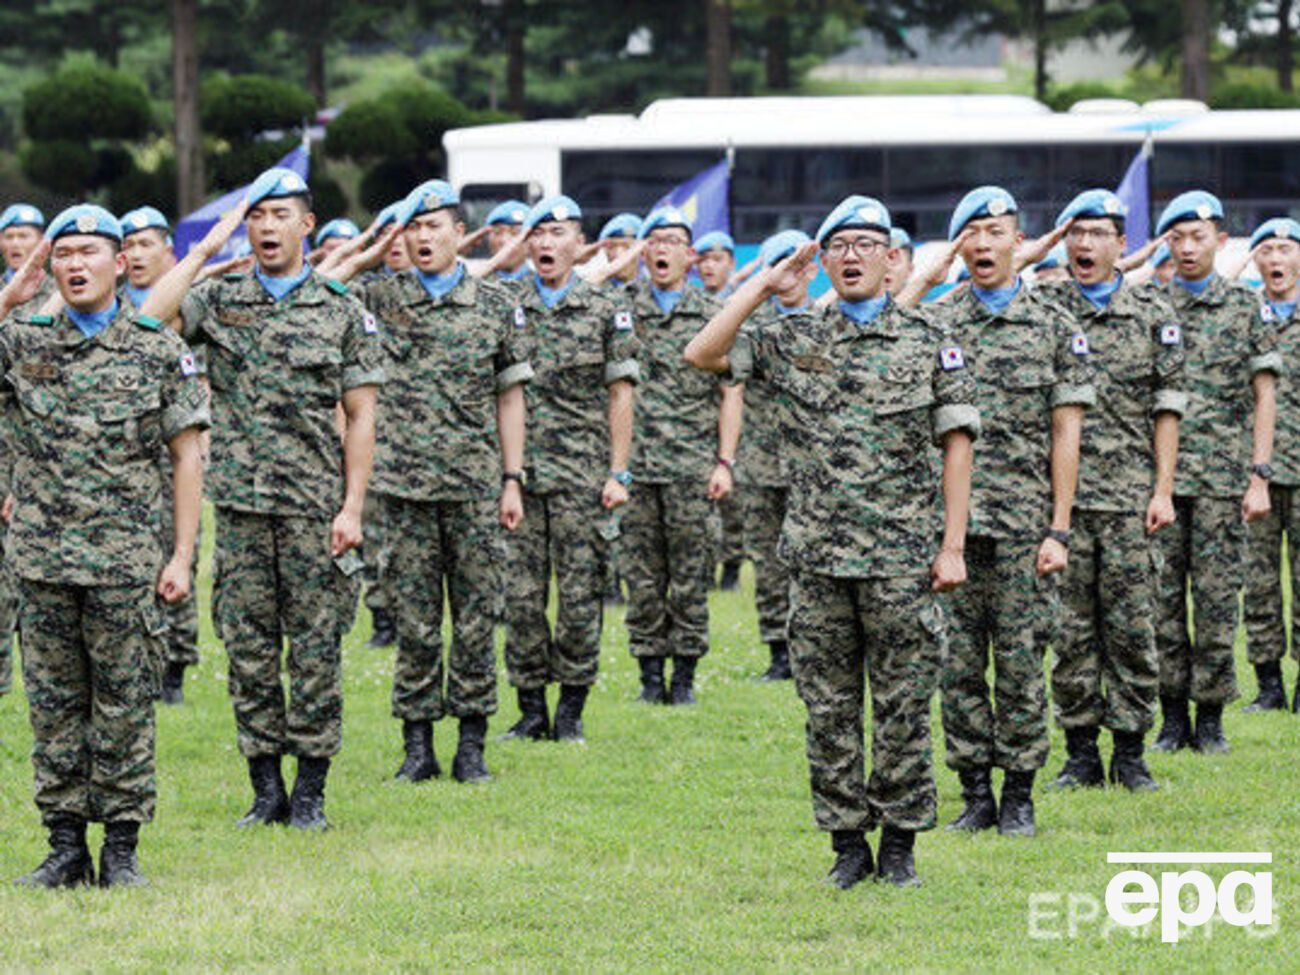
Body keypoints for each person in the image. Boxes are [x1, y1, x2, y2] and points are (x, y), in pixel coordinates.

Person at [685, 195, 979, 889]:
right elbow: (702, 353)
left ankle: (901, 842)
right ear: (821, 260)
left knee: (904, 703)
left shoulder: (928, 338)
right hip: (817, 559)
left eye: (864, 244)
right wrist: (763, 282)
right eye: (836, 245)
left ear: (889, 258)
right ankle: (848, 843)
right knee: (829, 707)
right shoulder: (794, 337)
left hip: (903, 557)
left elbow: (958, 445)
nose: (851, 256)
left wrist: (953, 544)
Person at [144, 167, 385, 830]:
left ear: (307, 224)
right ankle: (264, 787)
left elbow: (361, 413)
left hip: (312, 507)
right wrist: (199, 253)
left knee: (314, 650)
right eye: (256, 215)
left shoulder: (339, 309)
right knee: (248, 650)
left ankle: (310, 789)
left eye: (280, 215)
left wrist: (353, 505)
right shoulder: (222, 299)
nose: (266, 226)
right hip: (242, 508)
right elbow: (150, 315)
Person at [0, 205, 207, 887]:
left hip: (122, 562)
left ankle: (120, 846)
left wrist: (179, 555)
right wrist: (13, 290)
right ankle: (64, 845)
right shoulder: (24, 340)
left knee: (123, 702)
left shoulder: (153, 347)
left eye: (91, 252)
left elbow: (187, 456)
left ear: (121, 263)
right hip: (41, 559)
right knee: (54, 706)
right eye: (64, 254)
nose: (76, 264)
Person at [343, 179, 531, 782]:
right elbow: (317, 290)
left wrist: (511, 478)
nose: (422, 238)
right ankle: (418, 745)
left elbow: (511, 399)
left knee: (477, 617)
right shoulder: (379, 298)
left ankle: (471, 744)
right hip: (402, 489)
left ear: (459, 233)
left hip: (474, 486)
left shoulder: (496, 307)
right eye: (413, 228)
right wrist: (372, 249)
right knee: (416, 620)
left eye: (433, 227)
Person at [930, 186, 1092, 838]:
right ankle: (974, 791)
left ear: (1018, 241)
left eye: (995, 231)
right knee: (959, 663)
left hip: (1027, 526)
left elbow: (1067, 433)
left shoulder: (1055, 325)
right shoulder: (937, 323)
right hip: (955, 531)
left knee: (1023, 661)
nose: (982, 244)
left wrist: (1060, 526)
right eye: (969, 232)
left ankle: (1019, 793)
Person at [1036, 190, 1185, 792]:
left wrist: (1163, 489)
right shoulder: (1043, 306)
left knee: (1130, 629)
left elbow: (1167, 408)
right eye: (1074, 233)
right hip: (1058, 504)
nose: (1084, 244)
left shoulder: (1152, 313)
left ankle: (1129, 752)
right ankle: (1079, 754)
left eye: (1097, 233)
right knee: (1068, 632)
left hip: (1127, 498)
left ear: (1122, 244)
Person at [499, 195, 638, 742]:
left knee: (581, 596)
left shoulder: (605, 308)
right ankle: (531, 709)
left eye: (556, 233)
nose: (545, 243)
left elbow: (621, 393)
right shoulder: (507, 305)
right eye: (536, 233)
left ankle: (572, 710)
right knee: (522, 598)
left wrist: (618, 471)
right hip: (521, 476)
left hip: (583, 476)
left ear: (580, 244)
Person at [1149, 191, 1278, 754]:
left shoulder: (1244, 307)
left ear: (1222, 243)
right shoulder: (1152, 307)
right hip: (1162, 485)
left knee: (1219, 601)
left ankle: (1210, 718)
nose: (1186, 248)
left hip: (1224, 482)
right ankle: (1171, 716)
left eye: (1197, 237)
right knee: (1162, 604)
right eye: (1175, 238)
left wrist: (1260, 475)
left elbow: (1264, 394)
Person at [622, 207, 739, 705]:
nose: (663, 249)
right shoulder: (622, 309)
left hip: (693, 465)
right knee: (642, 576)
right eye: (655, 241)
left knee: (690, 575)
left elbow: (731, 391)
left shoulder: (713, 314)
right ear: (643, 251)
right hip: (637, 466)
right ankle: (650, 677)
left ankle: (685, 676)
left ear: (690, 255)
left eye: (673, 241)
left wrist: (725, 461)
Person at [119, 205, 207, 706]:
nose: (135, 254)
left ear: (167, 251)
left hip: (172, 445)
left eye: (145, 244)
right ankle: (137, 655)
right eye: (127, 246)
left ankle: (175, 661)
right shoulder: (104, 301)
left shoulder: (186, 304)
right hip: (119, 454)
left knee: (178, 549)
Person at [724, 229, 813, 681]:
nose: (788, 277)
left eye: (796, 266)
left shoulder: (828, 324)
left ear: (811, 270)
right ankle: (779, 652)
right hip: (762, 463)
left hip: (813, 469)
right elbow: (734, 394)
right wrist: (728, 459)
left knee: (812, 562)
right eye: (778, 267)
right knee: (767, 561)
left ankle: (812, 650)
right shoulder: (753, 333)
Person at [1238, 217, 1300, 711]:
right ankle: (1269, 683)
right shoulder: (1241, 315)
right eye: (1267, 250)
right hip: (1253, 472)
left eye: (1285, 249)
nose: (1276, 259)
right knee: (1257, 582)